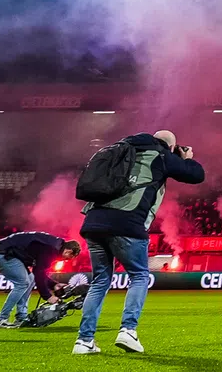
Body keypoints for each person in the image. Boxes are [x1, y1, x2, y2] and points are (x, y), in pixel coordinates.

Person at [74, 129, 204, 356]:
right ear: (171, 146)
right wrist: (188, 159)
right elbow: (196, 175)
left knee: (100, 281)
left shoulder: (121, 149)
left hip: (93, 222)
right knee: (139, 276)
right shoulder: (161, 155)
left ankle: (84, 341)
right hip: (128, 223)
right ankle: (128, 330)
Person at [0, 229, 80, 328]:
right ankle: (1, 319)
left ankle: (21, 317)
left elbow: (39, 272)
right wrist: (48, 296)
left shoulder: (54, 245)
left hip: (5, 252)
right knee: (22, 283)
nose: (65, 260)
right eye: (68, 258)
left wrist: (53, 285)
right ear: (68, 251)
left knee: (30, 280)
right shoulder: (51, 250)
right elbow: (39, 273)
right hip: (4, 254)